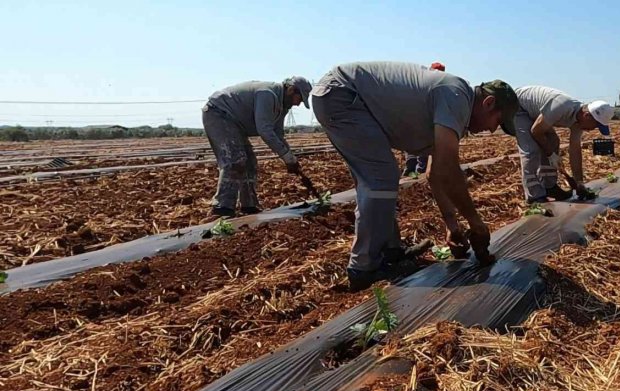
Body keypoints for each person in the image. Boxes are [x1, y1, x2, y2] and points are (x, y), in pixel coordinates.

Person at [311, 61, 519, 291]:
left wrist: (452, 225)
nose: (492, 130)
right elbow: (449, 169)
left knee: (380, 179)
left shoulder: (455, 102)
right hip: (343, 95)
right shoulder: (457, 96)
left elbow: (435, 173)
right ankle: (364, 268)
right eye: (497, 122)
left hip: (343, 95)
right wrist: (475, 223)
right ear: (488, 103)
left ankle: (390, 250)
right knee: (380, 177)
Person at [202, 76, 312, 217]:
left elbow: (278, 133)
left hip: (235, 123)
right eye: (300, 99)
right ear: (291, 90)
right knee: (235, 160)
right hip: (218, 113)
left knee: (250, 162)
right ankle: (222, 207)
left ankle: (249, 205)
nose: (298, 104)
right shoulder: (267, 94)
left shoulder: (282, 105)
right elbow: (265, 130)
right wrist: (286, 156)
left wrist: (290, 158)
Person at [503, 86, 613, 203]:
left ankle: (550, 186)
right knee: (531, 150)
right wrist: (551, 154)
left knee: (553, 140)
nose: (592, 130)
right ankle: (534, 196)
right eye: (595, 126)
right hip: (517, 107)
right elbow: (536, 131)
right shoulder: (561, 107)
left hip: (535, 111)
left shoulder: (579, 122)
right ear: (587, 116)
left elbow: (575, 151)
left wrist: (579, 182)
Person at [402, 61, 447, 177]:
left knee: (412, 147)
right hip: (422, 122)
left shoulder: (420, 82)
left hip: (412, 120)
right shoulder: (440, 86)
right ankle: (419, 172)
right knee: (423, 148)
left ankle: (411, 171)